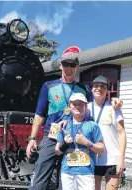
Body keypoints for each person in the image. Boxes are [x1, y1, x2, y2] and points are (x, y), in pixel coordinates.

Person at [26, 46, 123, 190]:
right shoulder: (48, 86)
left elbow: (97, 101)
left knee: (66, 182)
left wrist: (114, 100)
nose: (69, 68)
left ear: (77, 67)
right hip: (52, 137)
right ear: (60, 65)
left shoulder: (84, 89)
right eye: (66, 64)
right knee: (40, 179)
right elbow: (39, 114)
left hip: (74, 140)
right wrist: (32, 139)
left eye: (72, 65)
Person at [55, 93, 104, 190]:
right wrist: (64, 144)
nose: (77, 107)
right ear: (70, 106)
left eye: (81, 104)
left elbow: (101, 150)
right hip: (67, 172)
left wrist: (87, 143)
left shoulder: (93, 126)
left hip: (86, 172)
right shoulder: (64, 126)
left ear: (86, 106)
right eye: (74, 104)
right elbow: (57, 151)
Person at [87, 76, 127, 190]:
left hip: (112, 159)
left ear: (107, 90)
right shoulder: (86, 108)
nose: (99, 88)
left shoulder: (114, 108)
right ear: (91, 88)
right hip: (92, 159)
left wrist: (121, 158)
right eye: (96, 86)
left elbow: (121, 133)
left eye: (103, 86)